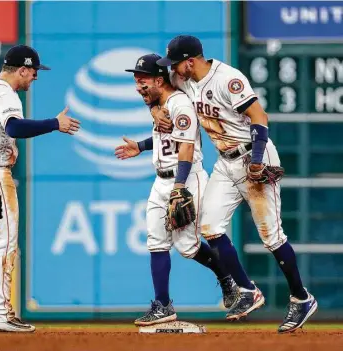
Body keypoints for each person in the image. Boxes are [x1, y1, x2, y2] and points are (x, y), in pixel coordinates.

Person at [153, 35, 318, 333]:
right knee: (210, 227)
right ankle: (247, 290)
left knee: (272, 237)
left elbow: (259, 116)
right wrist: (156, 111)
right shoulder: (186, 82)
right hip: (225, 162)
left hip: (253, 156)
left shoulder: (228, 79)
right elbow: (160, 96)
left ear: (191, 61)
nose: (173, 70)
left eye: (176, 64)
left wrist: (257, 160)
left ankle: (301, 298)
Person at [0, 45, 81, 333]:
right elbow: (14, 128)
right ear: (23, 69)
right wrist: (55, 123)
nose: (36, 78)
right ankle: (1, 313)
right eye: (34, 72)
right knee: (7, 240)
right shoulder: (7, 94)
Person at [116, 54, 240, 326]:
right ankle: (163, 305)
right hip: (160, 180)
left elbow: (186, 147)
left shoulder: (180, 104)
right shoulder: (160, 102)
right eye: (137, 81)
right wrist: (140, 145)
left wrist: (179, 187)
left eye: (143, 81)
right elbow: (164, 137)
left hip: (186, 177)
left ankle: (227, 278)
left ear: (160, 80)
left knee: (187, 247)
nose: (139, 86)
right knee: (156, 242)